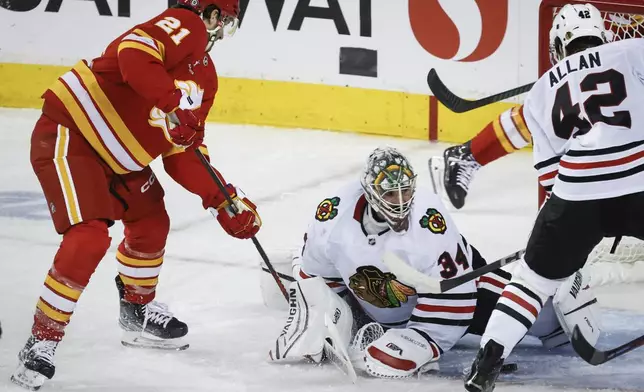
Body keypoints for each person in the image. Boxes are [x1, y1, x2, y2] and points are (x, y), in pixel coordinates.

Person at [11, 0, 261, 390]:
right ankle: (41, 340)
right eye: (225, 21)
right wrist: (173, 102)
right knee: (89, 236)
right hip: (71, 135)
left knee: (151, 222)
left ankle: (137, 311)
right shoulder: (186, 23)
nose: (220, 31)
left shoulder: (205, 77)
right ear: (212, 14)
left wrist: (222, 199)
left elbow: (184, 152)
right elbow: (132, 54)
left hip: (122, 161)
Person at [266, 147, 600, 379]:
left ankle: (562, 287)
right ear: (369, 191)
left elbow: (456, 298)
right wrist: (329, 312)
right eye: (391, 194)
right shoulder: (334, 215)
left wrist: (424, 339)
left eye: (406, 190)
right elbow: (318, 272)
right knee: (286, 281)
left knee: (544, 321)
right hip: (380, 300)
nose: (401, 201)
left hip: (461, 290)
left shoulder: (428, 223)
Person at [464, 4, 644, 391]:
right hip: (638, 182)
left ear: (559, 45)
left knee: (530, 281)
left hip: (577, 190)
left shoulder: (540, 92)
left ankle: (486, 363)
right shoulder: (632, 51)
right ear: (603, 32)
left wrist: (550, 239)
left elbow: (550, 176)